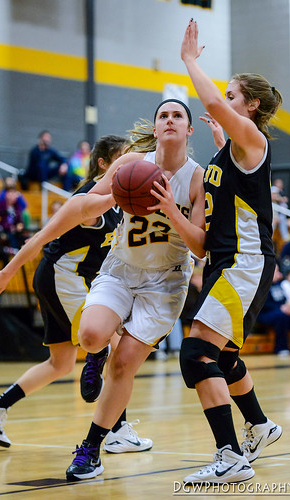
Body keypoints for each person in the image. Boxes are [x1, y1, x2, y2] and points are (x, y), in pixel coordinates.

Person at [54, 98, 205, 481]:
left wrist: (171, 208)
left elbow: (201, 246)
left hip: (165, 283)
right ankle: (96, 353)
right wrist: (110, 197)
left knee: (124, 365)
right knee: (89, 336)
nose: (169, 120)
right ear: (154, 128)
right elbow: (88, 204)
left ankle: (92, 448)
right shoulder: (131, 165)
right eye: (163, 116)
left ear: (189, 130)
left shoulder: (197, 177)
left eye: (178, 116)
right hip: (121, 269)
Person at [0, 135, 151, 455]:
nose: (131, 165)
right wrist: (7, 273)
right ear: (105, 164)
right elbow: (40, 237)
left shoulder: (118, 201)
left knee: (60, 363)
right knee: (111, 340)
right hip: (63, 277)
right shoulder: (89, 202)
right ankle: (118, 430)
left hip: (59, 279)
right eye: (124, 159)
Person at [177, 19, 283, 485]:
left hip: (247, 264)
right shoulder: (226, 155)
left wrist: (189, 60)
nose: (224, 101)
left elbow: (214, 103)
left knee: (196, 353)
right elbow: (202, 242)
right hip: (225, 263)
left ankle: (230, 457)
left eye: (233, 96)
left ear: (251, 105)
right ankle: (259, 424)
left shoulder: (254, 142)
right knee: (221, 358)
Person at [257, 264, 290, 356]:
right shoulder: (262, 285)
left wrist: (287, 307)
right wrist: (281, 308)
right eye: (276, 271)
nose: (279, 274)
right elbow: (263, 304)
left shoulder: (278, 285)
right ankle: (281, 348)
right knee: (282, 316)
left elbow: (284, 300)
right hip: (264, 314)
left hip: (280, 311)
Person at [0, 185, 29, 250]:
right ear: (6, 194)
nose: (14, 196)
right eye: (11, 193)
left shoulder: (17, 206)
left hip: (15, 232)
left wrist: (19, 226)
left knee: (25, 238)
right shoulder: (0, 205)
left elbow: (19, 220)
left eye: (15, 193)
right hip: (3, 231)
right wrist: (9, 227)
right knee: (10, 237)